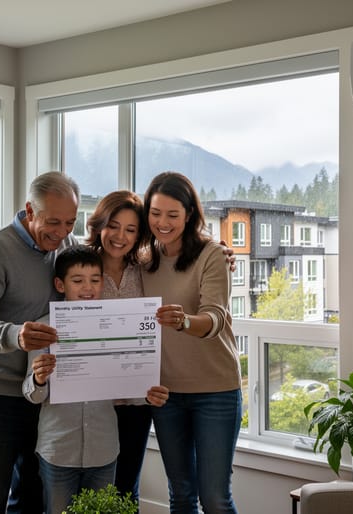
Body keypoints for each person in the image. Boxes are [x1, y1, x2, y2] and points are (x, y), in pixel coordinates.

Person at [0, 171, 80, 514]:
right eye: (53, 222)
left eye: (70, 223)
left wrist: (211, 248)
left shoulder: (67, 247)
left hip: (42, 394)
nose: (61, 234)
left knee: (31, 494)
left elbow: (112, 256)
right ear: (30, 210)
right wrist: (16, 335)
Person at [23, 245, 169, 514]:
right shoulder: (43, 329)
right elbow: (32, 394)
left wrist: (149, 392)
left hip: (104, 449)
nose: (87, 288)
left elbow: (129, 382)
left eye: (95, 280)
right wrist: (39, 379)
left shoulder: (118, 324)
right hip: (58, 449)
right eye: (77, 281)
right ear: (60, 284)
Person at [141, 171, 242, 514]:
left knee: (214, 498)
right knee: (181, 496)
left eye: (172, 214)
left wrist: (183, 321)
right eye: (155, 213)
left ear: (189, 215)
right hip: (166, 394)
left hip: (215, 391)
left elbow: (214, 319)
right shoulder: (143, 260)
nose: (163, 222)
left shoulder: (212, 254)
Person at [84, 191, 151, 503]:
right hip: (91, 401)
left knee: (126, 489)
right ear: (100, 225)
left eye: (130, 229)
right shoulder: (80, 266)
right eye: (113, 225)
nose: (120, 236)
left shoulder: (147, 268)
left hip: (137, 400)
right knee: (90, 489)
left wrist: (220, 251)